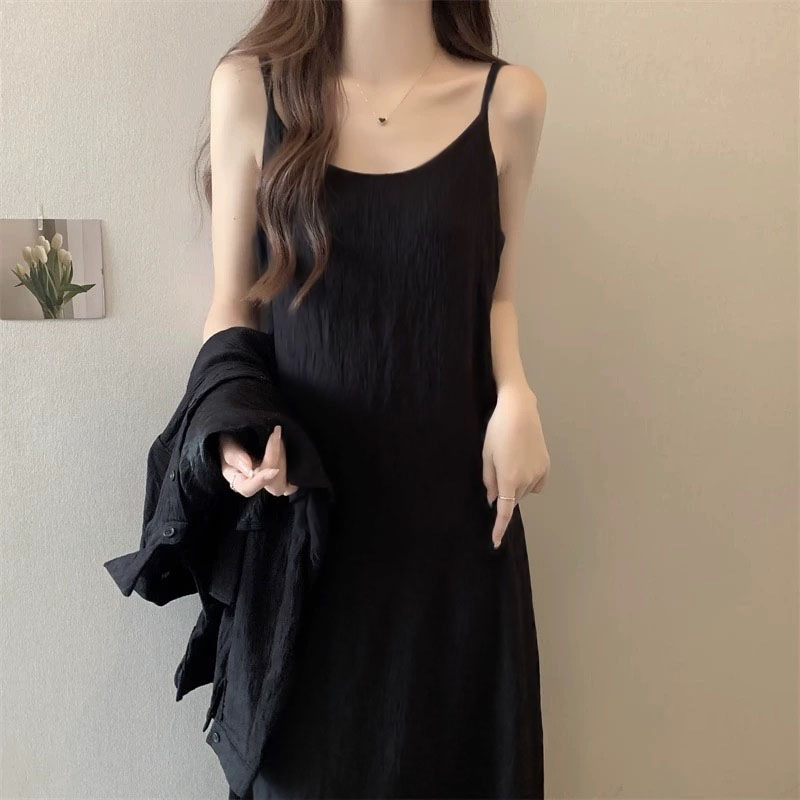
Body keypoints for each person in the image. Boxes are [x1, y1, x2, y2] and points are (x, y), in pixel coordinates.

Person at [194, 1, 549, 796]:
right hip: (307, 539)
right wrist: (231, 424)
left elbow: (498, 295)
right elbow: (233, 308)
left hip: (458, 536)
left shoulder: (510, 102)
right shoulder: (250, 89)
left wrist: (517, 393)